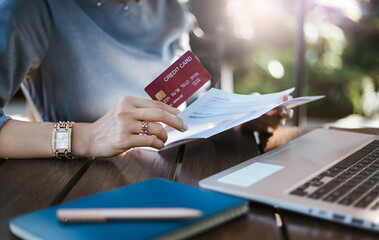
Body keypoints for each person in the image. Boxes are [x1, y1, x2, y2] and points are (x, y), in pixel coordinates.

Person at [0, 0, 292, 159]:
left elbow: (186, 104)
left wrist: (237, 115)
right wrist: (86, 137)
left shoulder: (171, 8)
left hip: (190, 172)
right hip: (89, 187)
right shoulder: (28, 8)